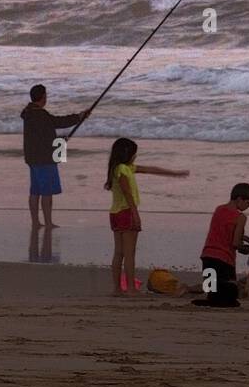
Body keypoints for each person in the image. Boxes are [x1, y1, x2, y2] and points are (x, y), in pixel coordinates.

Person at [105, 137, 188, 296]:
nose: (135, 156)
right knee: (129, 254)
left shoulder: (119, 168)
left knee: (119, 253)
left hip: (115, 213)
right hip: (126, 212)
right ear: (127, 154)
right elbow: (127, 193)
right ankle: (130, 289)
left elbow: (151, 169)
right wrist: (135, 214)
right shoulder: (123, 169)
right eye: (134, 154)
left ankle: (117, 288)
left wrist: (175, 173)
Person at [21, 84, 89, 230]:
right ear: (43, 97)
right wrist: (79, 117)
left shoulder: (28, 113)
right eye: (46, 95)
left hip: (32, 157)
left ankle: (36, 222)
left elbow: (43, 134)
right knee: (46, 192)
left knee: (35, 191)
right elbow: (59, 122)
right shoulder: (40, 114)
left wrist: (60, 141)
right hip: (44, 158)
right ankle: (48, 222)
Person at [194, 183, 249, 306]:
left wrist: (242, 237)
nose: (248, 206)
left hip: (207, 256)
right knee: (232, 295)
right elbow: (235, 243)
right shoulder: (241, 217)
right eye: (248, 203)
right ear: (239, 199)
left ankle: (210, 299)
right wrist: (247, 249)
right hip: (224, 260)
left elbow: (221, 230)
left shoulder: (219, 209)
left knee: (211, 290)